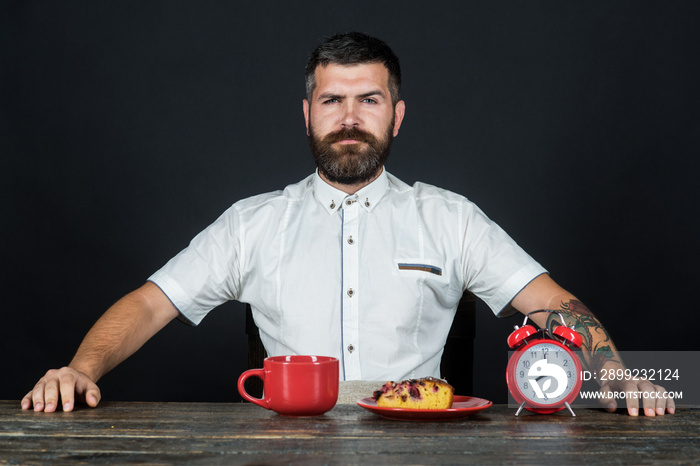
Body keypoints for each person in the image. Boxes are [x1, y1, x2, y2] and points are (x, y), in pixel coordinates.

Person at [22, 32, 673, 417]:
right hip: (283, 451)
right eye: (333, 100)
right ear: (307, 115)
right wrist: (82, 368)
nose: (350, 117)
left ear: (397, 116)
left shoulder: (450, 219)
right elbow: (147, 304)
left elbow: (555, 305)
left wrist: (612, 372)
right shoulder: (253, 224)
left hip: (423, 447)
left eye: (369, 100)